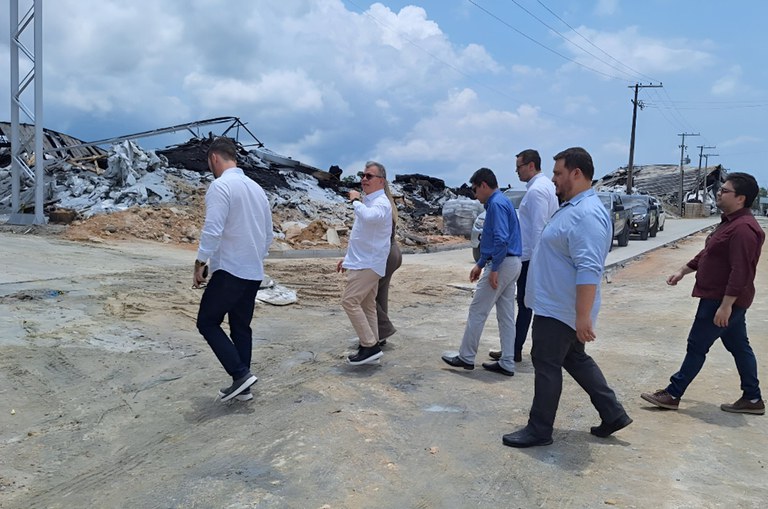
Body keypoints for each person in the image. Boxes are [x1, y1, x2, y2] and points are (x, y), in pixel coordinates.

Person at [503, 147, 632, 448]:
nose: (554, 179)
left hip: (561, 309)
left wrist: (583, 316)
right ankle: (613, 413)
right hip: (561, 305)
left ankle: (540, 429)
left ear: (576, 173)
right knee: (575, 358)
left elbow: (589, 268)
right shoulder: (575, 206)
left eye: (559, 173)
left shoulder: (586, 214)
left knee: (546, 363)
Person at [641, 172, 765, 414]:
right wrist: (683, 271)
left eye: (725, 191)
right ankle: (752, 398)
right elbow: (709, 253)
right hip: (720, 298)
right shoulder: (729, 223)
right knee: (739, 347)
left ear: (741, 198)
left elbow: (741, 271)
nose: (719, 193)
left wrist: (726, 305)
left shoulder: (743, 230)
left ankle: (673, 393)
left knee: (697, 345)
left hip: (721, 299)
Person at [194, 137, 273, 402]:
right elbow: (268, 234)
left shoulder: (221, 186)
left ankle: (240, 374)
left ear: (214, 158)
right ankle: (243, 387)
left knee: (207, 321)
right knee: (241, 327)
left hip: (230, 270)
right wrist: (256, 258)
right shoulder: (256, 189)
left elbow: (213, 229)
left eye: (210, 163)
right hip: (253, 271)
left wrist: (200, 262)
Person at [441, 168, 522, 376]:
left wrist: (493, 268)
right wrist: (481, 263)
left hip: (502, 264)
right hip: (512, 262)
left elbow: (501, 239)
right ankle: (507, 362)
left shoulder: (496, 204)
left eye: (476, 190)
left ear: (484, 185)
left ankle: (466, 357)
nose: (475, 196)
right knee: (506, 315)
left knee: (478, 310)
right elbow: (494, 237)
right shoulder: (502, 202)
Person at [489, 149, 558, 362]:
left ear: (530, 165)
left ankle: (514, 350)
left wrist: (537, 262)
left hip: (530, 257)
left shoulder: (537, 191)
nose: (516, 171)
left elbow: (538, 228)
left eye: (519, 167)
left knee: (525, 304)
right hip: (533, 255)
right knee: (527, 303)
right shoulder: (545, 186)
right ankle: (514, 348)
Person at [337, 161, 393, 366]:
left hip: (369, 263)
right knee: (367, 305)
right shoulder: (370, 201)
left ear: (381, 181)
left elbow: (370, 218)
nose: (363, 179)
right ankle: (371, 344)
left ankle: (369, 345)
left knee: (349, 301)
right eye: (363, 175)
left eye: (369, 176)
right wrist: (347, 258)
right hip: (362, 260)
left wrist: (355, 201)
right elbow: (362, 236)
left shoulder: (380, 203)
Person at [375, 180, 402, 345]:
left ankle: (384, 329)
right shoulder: (390, 204)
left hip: (386, 254)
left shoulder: (379, 205)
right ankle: (380, 334)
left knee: (365, 294)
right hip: (394, 252)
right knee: (380, 294)